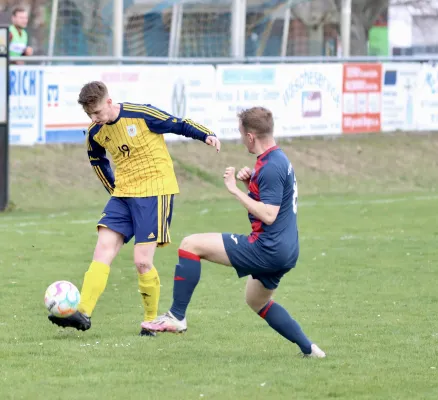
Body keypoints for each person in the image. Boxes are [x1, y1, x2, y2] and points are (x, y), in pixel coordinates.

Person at [141, 106, 326, 358]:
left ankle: (177, 316)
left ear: (250, 136)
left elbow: (269, 215)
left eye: (241, 134)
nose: (241, 139)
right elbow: (274, 202)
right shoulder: (277, 160)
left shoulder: (271, 166)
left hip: (268, 248)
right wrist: (250, 185)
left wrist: (235, 190)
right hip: (287, 249)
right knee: (256, 301)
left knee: (190, 245)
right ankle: (311, 350)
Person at [48, 81, 221, 336]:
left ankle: (150, 322)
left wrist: (205, 134)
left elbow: (177, 123)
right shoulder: (95, 132)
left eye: (97, 113)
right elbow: (97, 160)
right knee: (103, 247)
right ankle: (82, 312)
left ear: (109, 102)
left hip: (155, 191)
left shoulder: (141, 114)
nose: (94, 118)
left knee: (142, 262)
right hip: (123, 194)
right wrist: (114, 189)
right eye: (89, 115)